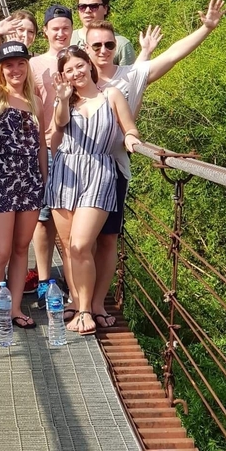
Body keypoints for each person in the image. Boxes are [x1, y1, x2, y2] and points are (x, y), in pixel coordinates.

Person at [82, 0, 226, 326]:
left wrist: (205, 28)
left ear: (114, 47)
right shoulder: (76, 77)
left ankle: (97, 305)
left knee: (106, 240)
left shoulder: (131, 75)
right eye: (96, 46)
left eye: (108, 45)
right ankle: (81, 303)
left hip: (114, 168)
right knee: (81, 242)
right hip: (79, 170)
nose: (102, 50)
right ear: (86, 48)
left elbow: (173, 54)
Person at [46, 47, 139, 337]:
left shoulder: (111, 95)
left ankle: (86, 309)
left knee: (81, 244)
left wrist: (134, 141)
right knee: (67, 245)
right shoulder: (66, 100)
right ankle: (76, 299)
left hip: (99, 171)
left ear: (89, 64)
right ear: (63, 75)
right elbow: (57, 129)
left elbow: (130, 129)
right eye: (69, 70)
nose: (76, 73)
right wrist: (61, 100)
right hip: (66, 172)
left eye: (79, 66)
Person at [0, 41, 46, 333]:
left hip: (30, 182)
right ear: (1, 68)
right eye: (9, 64)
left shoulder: (35, 100)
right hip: (1, 181)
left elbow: (42, 145)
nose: (15, 69)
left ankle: (16, 307)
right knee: (0, 252)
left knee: (22, 249)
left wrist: (44, 181)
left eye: (21, 63)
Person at [28, 4, 74, 308]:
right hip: (43, 147)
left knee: (71, 220)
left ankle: (74, 284)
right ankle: (45, 280)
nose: (60, 33)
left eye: (65, 28)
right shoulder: (32, 65)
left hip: (75, 149)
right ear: (45, 31)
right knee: (43, 219)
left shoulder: (79, 61)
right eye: (55, 28)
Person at [70, 0, 135, 66]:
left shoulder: (122, 45)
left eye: (93, 6)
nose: (87, 10)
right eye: (82, 6)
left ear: (105, 9)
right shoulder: (68, 40)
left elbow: (132, 77)